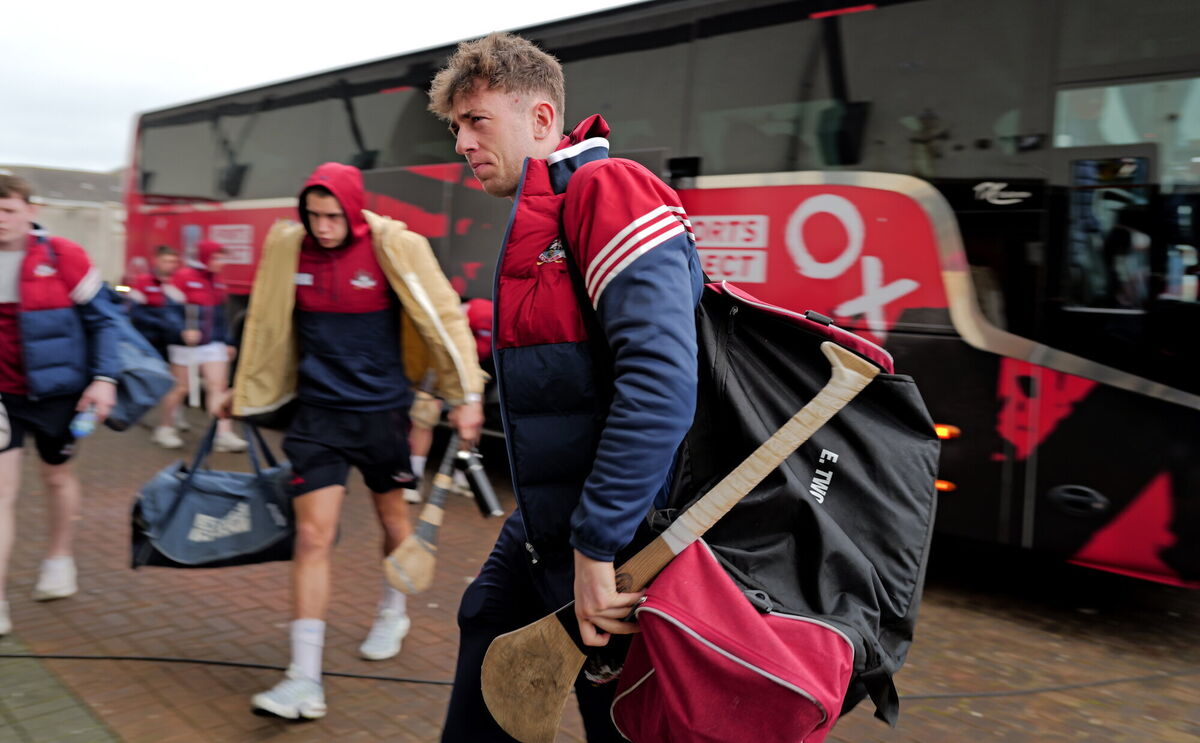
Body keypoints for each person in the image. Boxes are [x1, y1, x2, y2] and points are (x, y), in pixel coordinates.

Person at [427, 33, 703, 741]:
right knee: (488, 629)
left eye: (477, 120)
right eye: (455, 126)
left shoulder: (608, 190)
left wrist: (596, 544)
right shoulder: (541, 212)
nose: (461, 142)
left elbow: (661, 382)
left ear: (542, 120)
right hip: (549, 523)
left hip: (620, 537)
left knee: (619, 720)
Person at [215, 162, 485, 720]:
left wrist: (467, 396)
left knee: (392, 523)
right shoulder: (289, 249)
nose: (323, 226)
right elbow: (264, 325)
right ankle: (303, 679)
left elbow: (445, 319)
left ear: (354, 209)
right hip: (317, 419)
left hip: (381, 415)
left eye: (333, 215)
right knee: (313, 536)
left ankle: (394, 609)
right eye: (313, 215)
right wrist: (242, 390)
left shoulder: (394, 247)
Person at [0, 174, 121, 636]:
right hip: (4, 396)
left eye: (9, 210)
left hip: (60, 396)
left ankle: (59, 556)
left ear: (32, 210)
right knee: (2, 493)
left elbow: (106, 321)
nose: (1, 220)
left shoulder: (63, 256)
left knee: (56, 476)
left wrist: (104, 380)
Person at [153, 240, 245, 451]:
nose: (221, 262)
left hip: (212, 343)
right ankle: (165, 428)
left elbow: (223, 316)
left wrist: (228, 342)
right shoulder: (183, 277)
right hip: (185, 346)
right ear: (205, 257)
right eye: (217, 257)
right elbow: (168, 311)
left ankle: (222, 434)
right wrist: (182, 330)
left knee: (218, 386)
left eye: (222, 257)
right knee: (180, 388)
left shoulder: (218, 281)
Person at [126, 245, 183, 360]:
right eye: (165, 261)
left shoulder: (179, 284)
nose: (169, 265)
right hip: (149, 339)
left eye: (173, 262)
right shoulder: (143, 281)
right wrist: (160, 322)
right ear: (156, 261)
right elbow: (134, 312)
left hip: (174, 342)